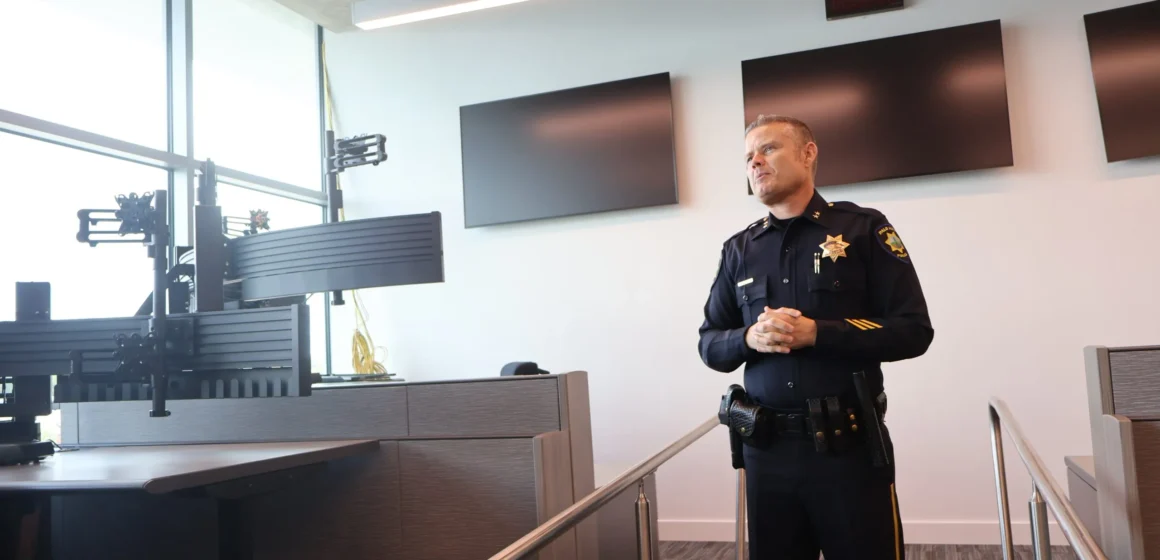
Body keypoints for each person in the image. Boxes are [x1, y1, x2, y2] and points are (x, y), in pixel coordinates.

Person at [698, 114, 934, 559]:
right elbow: (709, 342)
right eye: (748, 156)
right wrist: (749, 338)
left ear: (808, 154)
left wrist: (819, 334)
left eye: (767, 149)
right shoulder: (739, 249)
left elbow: (913, 330)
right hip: (766, 452)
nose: (755, 163)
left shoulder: (863, 228)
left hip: (848, 449)